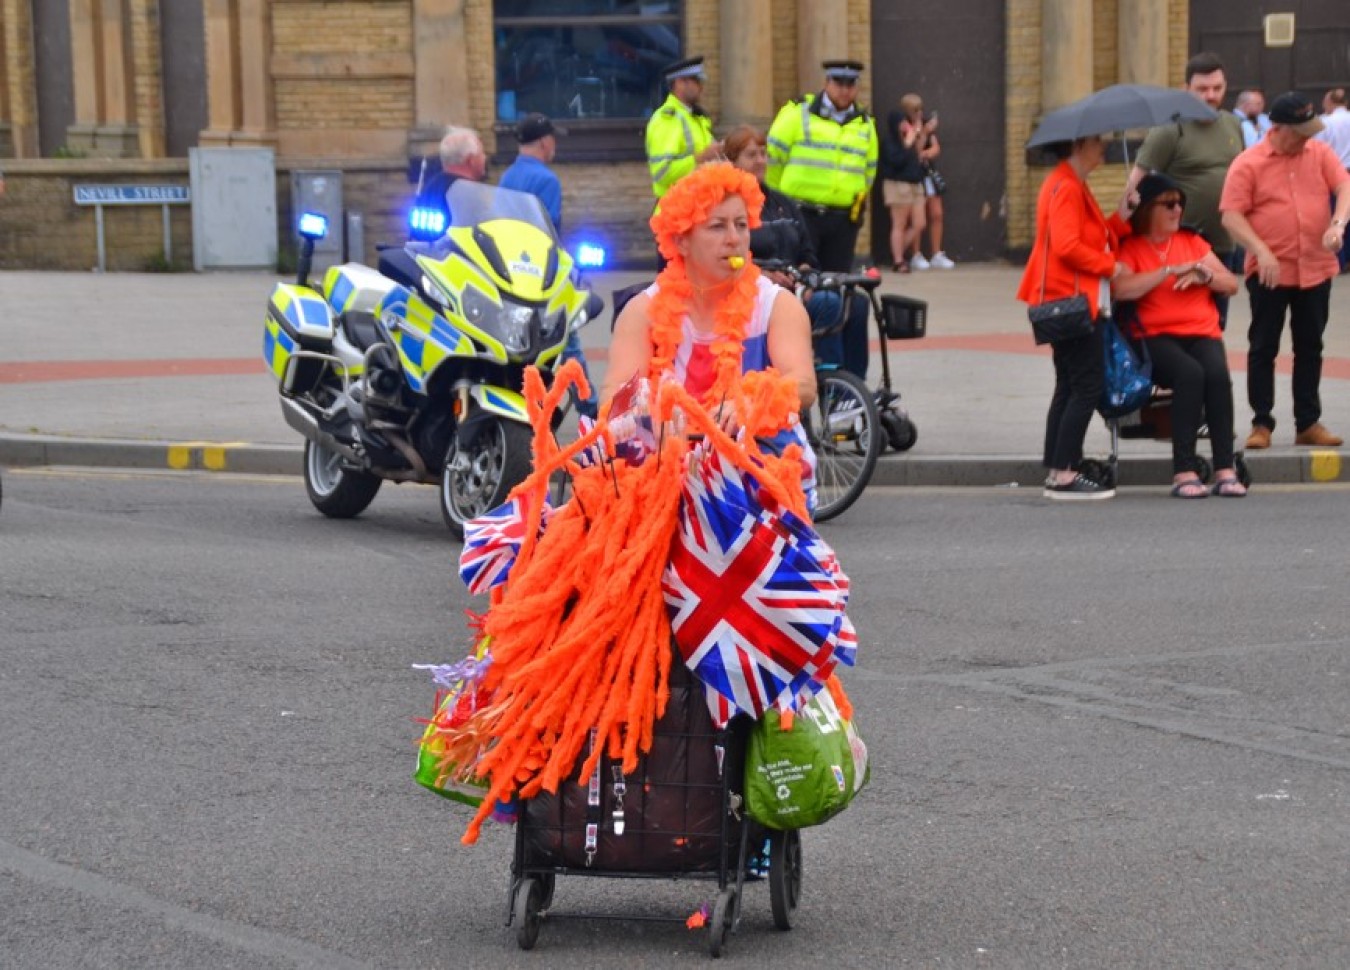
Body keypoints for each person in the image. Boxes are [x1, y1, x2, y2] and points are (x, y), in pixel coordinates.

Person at [605, 161, 816, 430]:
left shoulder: (777, 305)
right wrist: (642, 415)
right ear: (682, 241)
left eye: (741, 225)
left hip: (758, 459)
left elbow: (803, 383)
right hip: (669, 461)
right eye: (718, 226)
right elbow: (615, 392)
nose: (734, 239)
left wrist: (753, 402)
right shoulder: (642, 310)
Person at [1220, 91, 1350, 450]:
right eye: (1300, 131)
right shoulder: (1248, 163)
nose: (1307, 137)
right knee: (1263, 346)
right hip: (1269, 273)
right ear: (1277, 128)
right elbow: (1231, 214)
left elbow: (1344, 184)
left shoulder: (1319, 153)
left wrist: (1338, 224)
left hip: (1316, 266)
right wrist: (1261, 250)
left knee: (1310, 346)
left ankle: (1307, 421)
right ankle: (1262, 422)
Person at [1113, 173, 1244, 498]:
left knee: (1215, 375)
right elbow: (1121, 289)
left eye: (1180, 204)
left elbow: (1231, 285)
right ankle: (1183, 470)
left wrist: (1204, 273)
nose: (1177, 210)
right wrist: (1167, 272)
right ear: (1147, 209)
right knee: (1190, 374)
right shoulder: (1130, 248)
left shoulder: (1192, 242)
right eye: (1168, 204)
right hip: (1154, 335)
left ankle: (1225, 469)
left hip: (1201, 332)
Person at [1016, 134, 1133, 501]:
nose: (1103, 147)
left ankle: (1058, 467)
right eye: (1097, 142)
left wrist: (1123, 218)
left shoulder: (1070, 183)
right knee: (1087, 385)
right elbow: (1067, 246)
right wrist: (1110, 266)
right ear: (1079, 145)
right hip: (1073, 301)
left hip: (1066, 299)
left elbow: (1094, 236)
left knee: (1069, 385)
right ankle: (1065, 472)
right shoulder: (1066, 186)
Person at [724, 124, 870, 381]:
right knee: (829, 304)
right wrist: (763, 275)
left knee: (857, 303)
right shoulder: (727, 207)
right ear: (732, 161)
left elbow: (807, 253)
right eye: (751, 155)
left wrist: (806, 274)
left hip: (794, 290)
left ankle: (852, 387)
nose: (760, 160)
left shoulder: (784, 204)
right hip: (750, 295)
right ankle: (827, 379)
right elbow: (725, 260)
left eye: (763, 153)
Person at [1123, 52, 1243, 326]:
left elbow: (1242, 180)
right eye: (1202, 89)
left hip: (1222, 245)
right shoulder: (1169, 130)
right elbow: (1136, 184)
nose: (1210, 95)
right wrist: (1125, 234)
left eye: (1217, 88)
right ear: (1185, 89)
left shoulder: (1233, 124)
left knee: (1214, 324)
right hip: (1179, 249)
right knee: (1177, 326)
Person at [498, 112, 597, 420]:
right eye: (553, 139)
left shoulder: (507, 177)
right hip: (540, 271)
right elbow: (548, 231)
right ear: (544, 142)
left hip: (510, 269)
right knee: (566, 339)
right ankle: (590, 410)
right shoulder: (546, 179)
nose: (554, 145)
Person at [766, 60, 879, 272]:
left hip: (842, 220)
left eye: (851, 85)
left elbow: (869, 172)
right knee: (798, 278)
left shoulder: (865, 123)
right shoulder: (798, 113)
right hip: (800, 214)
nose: (845, 90)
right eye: (839, 83)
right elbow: (773, 160)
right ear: (826, 83)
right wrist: (777, 204)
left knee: (836, 284)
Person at [644, 56, 720, 201]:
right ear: (680, 83)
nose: (701, 87)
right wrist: (701, 157)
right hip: (675, 208)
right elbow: (661, 172)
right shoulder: (667, 119)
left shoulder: (695, 117)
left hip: (695, 204)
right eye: (697, 81)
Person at [880, 95, 930, 273]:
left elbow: (918, 154)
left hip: (915, 183)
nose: (905, 125)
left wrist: (919, 135)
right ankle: (898, 259)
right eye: (902, 122)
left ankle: (897, 251)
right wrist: (908, 142)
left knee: (919, 223)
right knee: (899, 223)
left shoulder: (908, 139)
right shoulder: (890, 142)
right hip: (897, 184)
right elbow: (896, 162)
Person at [911, 104, 955, 270]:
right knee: (918, 218)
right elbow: (914, 150)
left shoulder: (926, 125)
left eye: (920, 110)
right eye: (916, 110)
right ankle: (916, 255)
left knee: (937, 214)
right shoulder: (907, 127)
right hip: (915, 176)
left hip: (930, 175)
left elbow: (935, 147)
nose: (920, 113)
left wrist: (928, 152)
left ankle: (936, 253)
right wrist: (924, 134)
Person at [414, 126, 487, 220]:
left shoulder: (431, 188)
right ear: (471, 160)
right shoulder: (470, 194)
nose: (485, 158)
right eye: (481, 154)